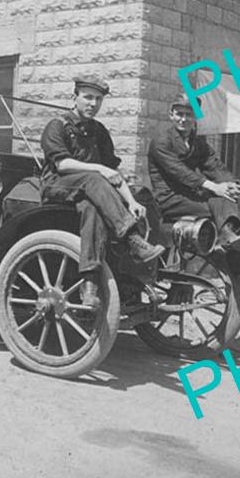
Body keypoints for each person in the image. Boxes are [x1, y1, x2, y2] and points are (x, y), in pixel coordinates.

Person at [40, 74, 164, 310]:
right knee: (94, 178)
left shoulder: (99, 131)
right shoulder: (57, 125)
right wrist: (99, 169)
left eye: (98, 99)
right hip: (57, 186)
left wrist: (131, 202)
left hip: (89, 192)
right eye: (87, 97)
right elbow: (62, 165)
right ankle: (132, 240)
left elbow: (113, 172)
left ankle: (92, 287)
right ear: (74, 97)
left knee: (121, 200)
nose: (92, 104)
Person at [147, 97, 240, 300]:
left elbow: (214, 166)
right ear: (171, 115)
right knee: (216, 200)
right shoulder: (161, 141)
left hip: (192, 195)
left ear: (196, 117)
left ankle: (233, 244)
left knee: (225, 197)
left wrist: (232, 184)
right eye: (179, 114)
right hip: (169, 199)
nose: (183, 119)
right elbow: (180, 173)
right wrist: (214, 187)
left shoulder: (198, 141)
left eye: (189, 115)